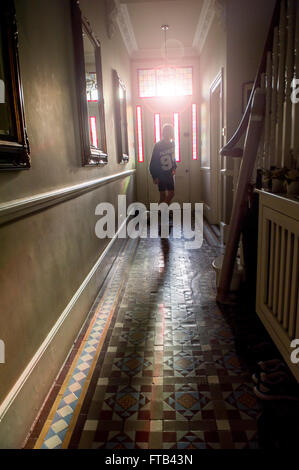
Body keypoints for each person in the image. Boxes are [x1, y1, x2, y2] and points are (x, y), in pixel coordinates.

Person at [149, 124, 177, 204]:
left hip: (169, 173)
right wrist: (154, 176)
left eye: (170, 132)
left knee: (171, 194)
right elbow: (153, 161)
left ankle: (162, 211)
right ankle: (162, 212)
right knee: (163, 195)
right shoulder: (158, 145)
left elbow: (172, 157)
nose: (168, 134)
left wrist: (174, 167)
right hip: (160, 174)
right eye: (166, 132)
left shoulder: (172, 144)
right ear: (163, 133)